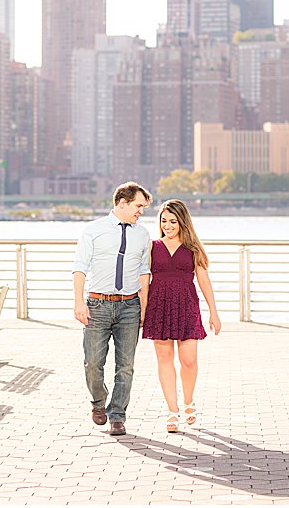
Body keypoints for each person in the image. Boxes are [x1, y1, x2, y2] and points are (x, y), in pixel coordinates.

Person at [73, 182, 153, 436]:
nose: (141, 211)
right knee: (92, 363)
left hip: (130, 306)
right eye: (138, 205)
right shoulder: (93, 231)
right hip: (97, 305)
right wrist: (78, 302)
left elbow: (144, 272)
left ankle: (117, 415)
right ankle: (98, 402)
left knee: (126, 365)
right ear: (122, 202)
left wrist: (144, 306)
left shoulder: (143, 235)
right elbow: (80, 267)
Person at [140, 198, 221, 433]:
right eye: (164, 221)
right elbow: (143, 280)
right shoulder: (152, 246)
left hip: (187, 307)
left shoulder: (193, 248)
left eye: (173, 221)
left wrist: (213, 312)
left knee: (189, 360)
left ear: (183, 221)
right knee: (164, 360)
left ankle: (188, 402)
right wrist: (144, 310)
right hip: (159, 306)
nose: (167, 225)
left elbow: (204, 280)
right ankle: (172, 411)